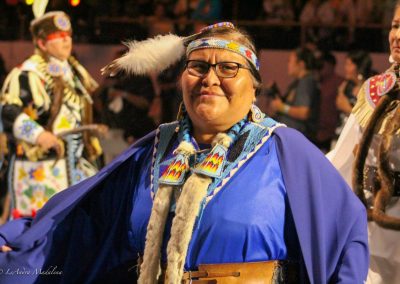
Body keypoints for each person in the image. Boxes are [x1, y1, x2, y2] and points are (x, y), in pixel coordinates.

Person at [0, 22, 368, 283]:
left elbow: (345, 243)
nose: (210, 78)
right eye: (197, 67)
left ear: (254, 87)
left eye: (228, 68)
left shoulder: (287, 152)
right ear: (181, 79)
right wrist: (15, 251)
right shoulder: (153, 153)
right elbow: (79, 228)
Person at [0, 9, 105, 220]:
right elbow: (8, 111)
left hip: (75, 166)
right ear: (41, 43)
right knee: (39, 229)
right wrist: (38, 135)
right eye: (59, 37)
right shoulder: (27, 73)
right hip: (40, 170)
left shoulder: (74, 74)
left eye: (69, 35)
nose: (67, 41)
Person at [328, 2, 400, 283]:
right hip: (374, 233)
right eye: (395, 25)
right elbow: (340, 161)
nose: (397, 35)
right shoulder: (375, 89)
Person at [271, 47, 320, 142]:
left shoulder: (307, 82)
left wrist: (282, 107)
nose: (288, 65)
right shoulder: (298, 82)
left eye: (290, 61)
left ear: (301, 64)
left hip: (298, 139)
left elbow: (304, 112)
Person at [332, 50, 372, 148]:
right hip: (341, 133)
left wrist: (348, 109)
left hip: (356, 139)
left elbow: (369, 119)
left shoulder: (369, 88)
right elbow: (338, 104)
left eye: (349, 64)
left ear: (360, 66)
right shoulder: (347, 85)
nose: (346, 68)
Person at [314, 51, 343, 152]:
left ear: (331, 65)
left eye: (323, 64)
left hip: (330, 131)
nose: (320, 67)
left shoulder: (339, 82)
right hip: (316, 129)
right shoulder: (317, 81)